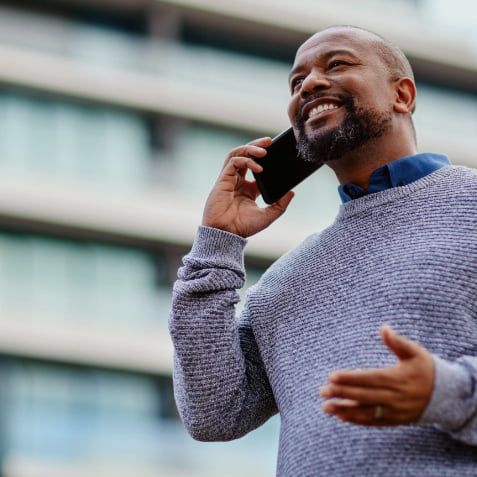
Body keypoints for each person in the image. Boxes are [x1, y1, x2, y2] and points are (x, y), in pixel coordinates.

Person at [169, 25, 477, 476]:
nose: (309, 84)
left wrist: (447, 393)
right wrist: (218, 242)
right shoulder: (284, 281)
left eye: (337, 64)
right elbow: (213, 413)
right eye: (296, 83)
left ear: (403, 95)